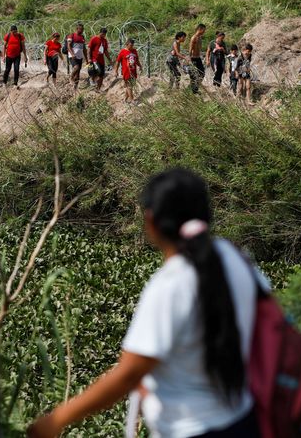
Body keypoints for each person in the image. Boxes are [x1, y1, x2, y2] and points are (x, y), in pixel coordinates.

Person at [29, 168, 262, 438]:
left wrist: (58, 419)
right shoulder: (238, 259)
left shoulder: (170, 285)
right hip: (245, 421)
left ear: (150, 221)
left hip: (191, 431)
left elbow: (128, 375)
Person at [114, 38, 142, 103]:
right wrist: (116, 71)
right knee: (129, 86)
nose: (131, 47)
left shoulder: (134, 51)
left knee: (130, 86)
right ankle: (132, 100)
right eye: (130, 45)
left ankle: (125, 99)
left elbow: (137, 60)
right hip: (126, 72)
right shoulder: (122, 52)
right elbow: (117, 62)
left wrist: (140, 66)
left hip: (133, 71)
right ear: (127, 44)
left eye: (132, 45)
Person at [2, 24, 27, 88]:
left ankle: (15, 83)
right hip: (9, 56)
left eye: (15, 31)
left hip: (17, 56)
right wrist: (3, 56)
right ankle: (4, 82)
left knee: (16, 69)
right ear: (11, 31)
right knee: (7, 69)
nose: (15, 33)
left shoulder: (20, 36)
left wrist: (25, 56)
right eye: (13, 32)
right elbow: (4, 46)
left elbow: (23, 46)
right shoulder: (8, 36)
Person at [66, 24, 87, 90]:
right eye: (81, 29)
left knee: (78, 74)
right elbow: (68, 46)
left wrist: (86, 59)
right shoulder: (72, 35)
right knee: (76, 67)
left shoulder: (82, 37)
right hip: (72, 56)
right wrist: (72, 54)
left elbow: (84, 49)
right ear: (77, 29)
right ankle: (71, 77)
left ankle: (75, 88)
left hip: (80, 57)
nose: (82, 30)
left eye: (83, 29)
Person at [189, 24, 207, 93]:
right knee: (193, 75)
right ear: (200, 29)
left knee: (202, 73)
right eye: (204, 30)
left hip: (198, 58)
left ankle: (195, 88)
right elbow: (190, 49)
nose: (204, 31)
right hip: (193, 58)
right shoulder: (194, 38)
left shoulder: (199, 37)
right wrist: (189, 60)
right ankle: (194, 90)